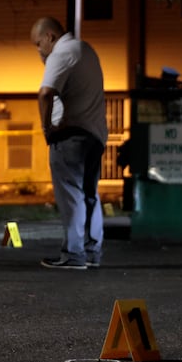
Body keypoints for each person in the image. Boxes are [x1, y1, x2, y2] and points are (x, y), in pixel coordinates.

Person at [30, 16, 108, 270]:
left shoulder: (61, 54)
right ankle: (92, 251)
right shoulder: (86, 50)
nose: (39, 51)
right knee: (89, 194)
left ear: (50, 36)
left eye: (38, 44)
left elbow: (45, 92)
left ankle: (73, 255)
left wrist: (47, 128)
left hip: (70, 136)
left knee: (71, 195)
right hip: (95, 135)